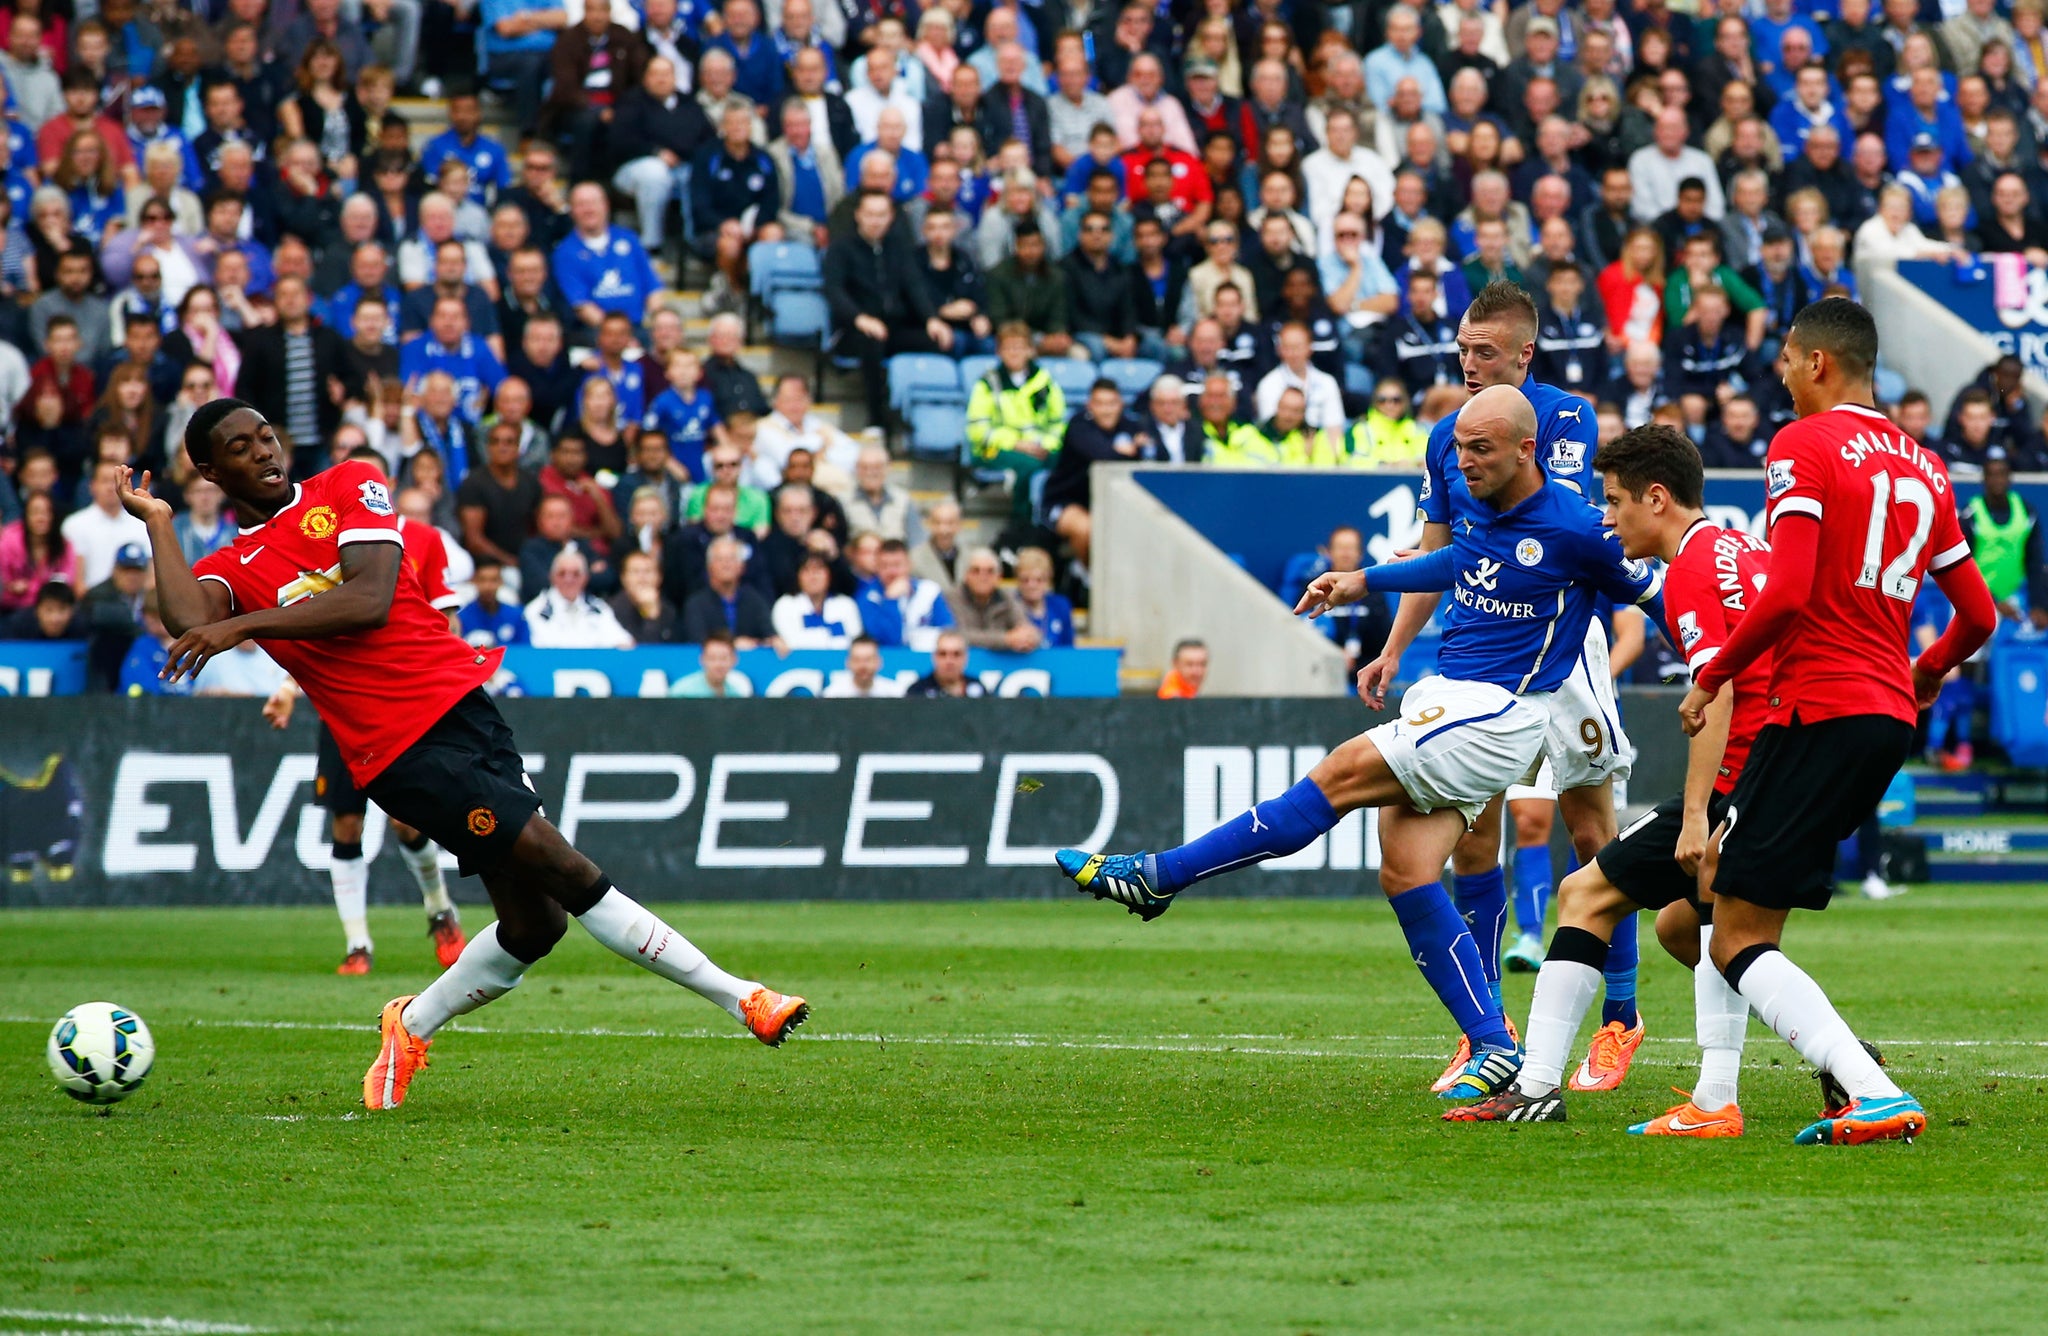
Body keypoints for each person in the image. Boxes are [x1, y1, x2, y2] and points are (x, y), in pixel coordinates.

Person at [127, 401, 808, 1104]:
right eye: (240, 448)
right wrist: (159, 522)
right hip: (402, 753)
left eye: (266, 435)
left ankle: (411, 1022)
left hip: (465, 710)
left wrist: (245, 625)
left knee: (535, 924)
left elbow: (369, 599)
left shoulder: (349, 484)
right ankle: (744, 999)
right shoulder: (234, 563)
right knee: (562, 864)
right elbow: (186, 618)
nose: (263, 451)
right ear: (209, 471)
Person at [1059, 385, 1660, 1107]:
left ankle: (1161, 875)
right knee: (1405, 869)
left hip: (1502, 714)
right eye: (1460, 446)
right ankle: (1494, 1042)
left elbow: (1655, 593)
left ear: (1526, 450)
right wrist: (1361, 581)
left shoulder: (1577, 526)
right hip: (1459, 703)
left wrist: (1717, 668)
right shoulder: (1485, 509)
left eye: (1480, 448)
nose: (1462, 460)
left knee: (1340, 774)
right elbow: (1452, 563)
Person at [1650, 300, 1994, 1144]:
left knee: (1728, 933)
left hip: (1816, 709)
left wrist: (1717, 673)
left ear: (1818, 365)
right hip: (1882, 717)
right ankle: (1715, 1098)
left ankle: (1867, 1085)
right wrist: (1924, 671)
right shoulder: (1926, 465)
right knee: (1718, 903)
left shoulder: (1803, 445)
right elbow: (1979, 616)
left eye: (1787, 361)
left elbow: (1792, 588)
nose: (1779, 375)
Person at [257, 449, 467, 975]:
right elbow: (311, 624)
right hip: (342, 706)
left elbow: (444, 620)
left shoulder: (422, 539)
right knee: (347, 822)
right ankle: (358, 945)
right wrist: (288, 685)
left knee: (404, 818)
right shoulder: (315, 540)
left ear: (385, 484)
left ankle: (439, 908)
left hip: (403, 701)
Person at [459, 558, 527, 647]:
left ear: (501, 581)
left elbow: (526, 651)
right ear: (474, 581)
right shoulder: (461, 618)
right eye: (482, 580)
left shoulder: (516, 616)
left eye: (493, 580)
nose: (488, 586)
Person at [670, 628, 755, 696]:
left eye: (724, 658)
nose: (718, 664)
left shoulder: (734, 694)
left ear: (734, 660)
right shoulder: (682, 692)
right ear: (702, 659)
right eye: (712, 658)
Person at [907, 628, 987, 697]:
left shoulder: (978, 689)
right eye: (943, 654)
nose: (949, 661)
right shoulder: (918, 691)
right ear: (934, 657)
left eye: (956, 654)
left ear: (965, 658)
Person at [822, 634, 902, 697]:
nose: (863, 666)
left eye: (868, 660)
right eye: (857, 660)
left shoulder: (895, 694)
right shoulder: (832, 695)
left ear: (878, 662)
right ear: (848, 662)